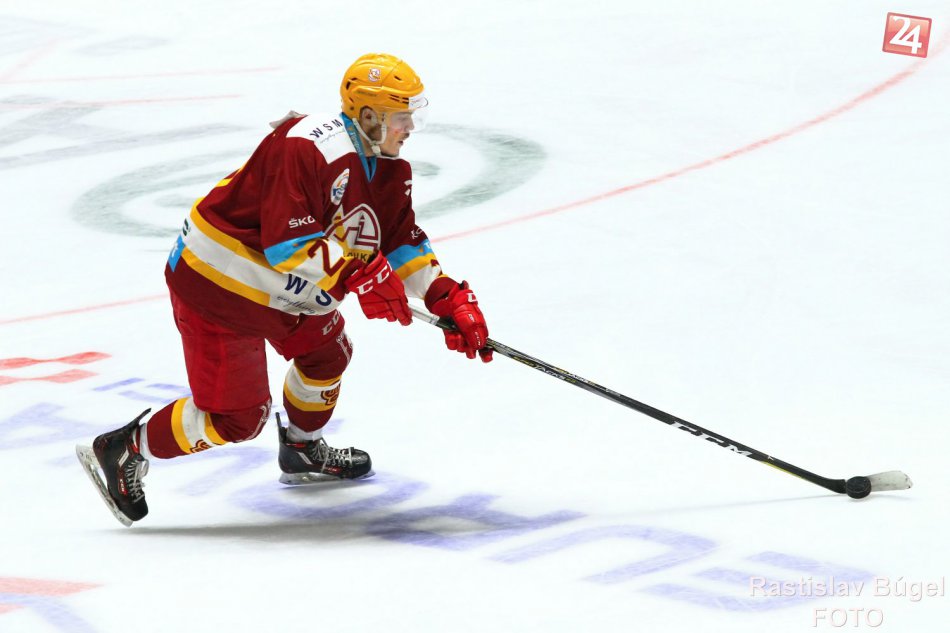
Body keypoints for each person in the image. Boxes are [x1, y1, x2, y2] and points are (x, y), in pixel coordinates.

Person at [76, 52, 492, 527]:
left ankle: (301, 449)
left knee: (327, 355)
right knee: (239, 419)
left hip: (284, 287)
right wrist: (359, 276)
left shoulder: (387, 168)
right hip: (220, 283)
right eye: (401, 117)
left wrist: (445, 295)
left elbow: (399, 240)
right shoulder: (306, 146)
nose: (410, 127)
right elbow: (287, 243)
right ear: (369, 115)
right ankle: (125, 448)